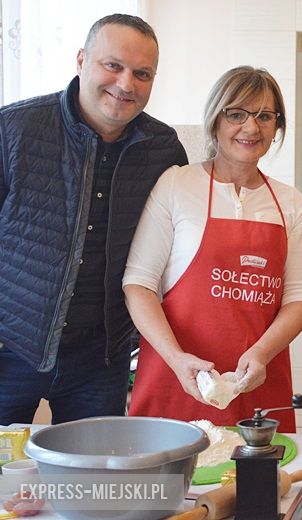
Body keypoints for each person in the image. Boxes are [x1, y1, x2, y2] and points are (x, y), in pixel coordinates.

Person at [0, 14, 188, 425]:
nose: (126, 84)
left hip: (102, 361)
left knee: (92, 480)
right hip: (12, 349)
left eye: (142, 73)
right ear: (82, 59)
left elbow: (188, 231)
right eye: (113, 65)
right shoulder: (15, 128)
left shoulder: (163, 148)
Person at [124, 66, 302, 431]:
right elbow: (138, 284)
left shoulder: (290, 203)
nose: (251, 127)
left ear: (277, 128)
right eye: (237, 114)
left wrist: (262, 352)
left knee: (254, 486)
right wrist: (177, 359)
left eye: (264, 116)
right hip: (175, 378)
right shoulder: (176, 184)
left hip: (256, 381)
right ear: (215, 121)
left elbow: (300, 296)